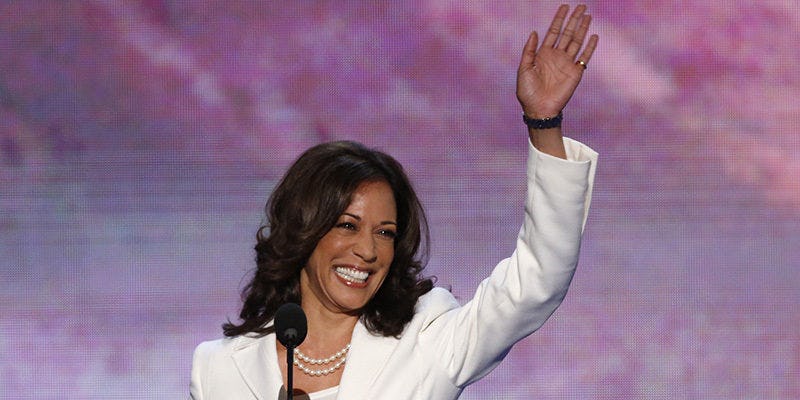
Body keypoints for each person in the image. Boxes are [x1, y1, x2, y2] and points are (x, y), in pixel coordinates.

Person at [189, 4, 599, 400]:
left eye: (385, 233)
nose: (368, 251)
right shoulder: (218, 370)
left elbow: (536, 282)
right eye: (347, 225)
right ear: (304, 230)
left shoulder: (427, 340)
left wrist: (544, 122)